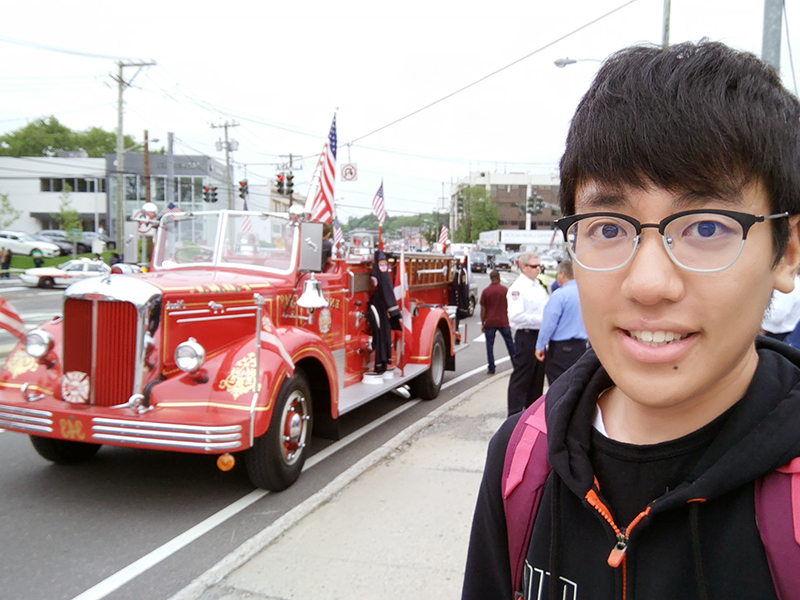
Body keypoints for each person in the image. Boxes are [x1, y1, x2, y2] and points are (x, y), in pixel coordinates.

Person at [462, 41, 800, 600]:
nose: (647, 284)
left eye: (707, 228)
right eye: (610, 228)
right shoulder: (522, 461)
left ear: (786, 253)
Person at [505, 251, 549, 415]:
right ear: (523, 267)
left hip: (541, 337)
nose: (538, 269)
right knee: (522, 377)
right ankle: (514, 415)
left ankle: (532, 413)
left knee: (537, 378)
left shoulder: (539, 286)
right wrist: (543, 320)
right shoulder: (518, 289)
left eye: (539, 266)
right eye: (534, 266)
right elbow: (516, 318)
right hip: (527, 337)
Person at [534, 260, 588, 384]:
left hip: (561, 348)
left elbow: (549, 323)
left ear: (562, 274)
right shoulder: (585, 294)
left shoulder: (560, 295)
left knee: (557, 384)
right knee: (575, 383)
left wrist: (540, 345)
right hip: (580, 346)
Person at [480, 270, 515, 375]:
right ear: (499, 278)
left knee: (489, 346)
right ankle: (516, 364)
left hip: (490, 322)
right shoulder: (505, 291)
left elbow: (483, 309)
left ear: (491, 278)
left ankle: (491, 367)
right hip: (503, 321)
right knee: (510, 344)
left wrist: (483, 322)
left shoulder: (486, 292)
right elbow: (511, 305)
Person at [761, 271, 800, 341]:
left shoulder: (791, 285)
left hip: (770, 333)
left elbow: (776, 315)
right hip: (783, 333)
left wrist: (763, 330)